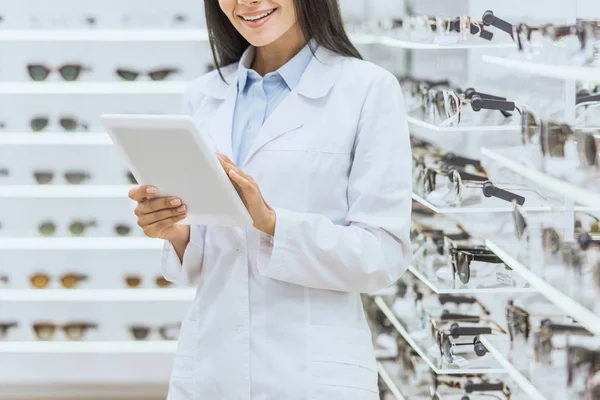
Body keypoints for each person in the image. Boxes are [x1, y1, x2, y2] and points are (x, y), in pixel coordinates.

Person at [127, 0, 412, 398]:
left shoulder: (367, 90)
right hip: (211, 369)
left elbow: (383, 254)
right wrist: (178, 233)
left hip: (312, 375)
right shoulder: (203, 96)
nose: (247, 2)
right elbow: (203, 261)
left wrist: (273, 223)